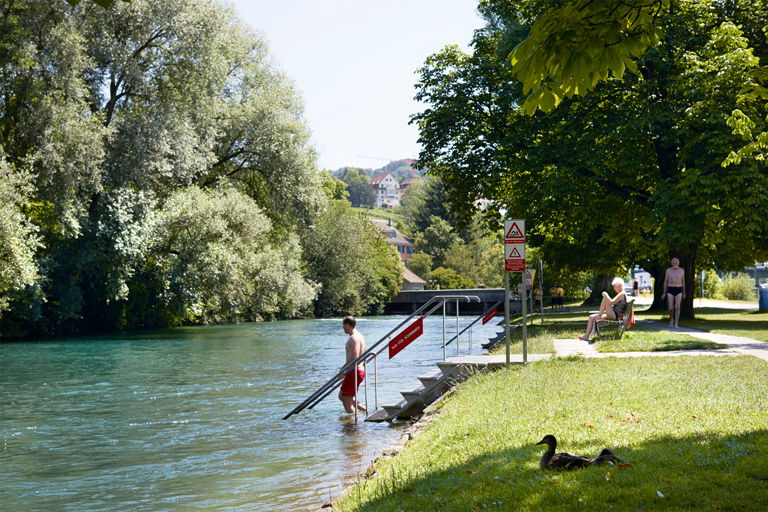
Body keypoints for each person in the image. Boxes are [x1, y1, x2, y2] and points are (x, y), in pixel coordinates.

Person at [338, 316, 367, 413]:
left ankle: (352, 425)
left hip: (354, 370)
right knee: (342, 396)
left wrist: (343, 369)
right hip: (354, 370)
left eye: (343, 325)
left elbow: (355, 356)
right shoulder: (359, 336)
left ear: (348, 325)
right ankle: (366, 411)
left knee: (346, 400)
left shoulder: (354, 338)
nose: (342, 327)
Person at [662, 257, 685, 328]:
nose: (675, 263)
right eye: (674, 262)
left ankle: (676, 323)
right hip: (670, 288)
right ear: (672, 263)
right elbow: (665, 281)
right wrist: (664, 292)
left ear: (679, 263)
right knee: (670, 307)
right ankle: (671, 319)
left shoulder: (682, 270)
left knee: (677, 306)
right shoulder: (668, 270)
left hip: (679, 288)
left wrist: (684, 292)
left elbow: (683, 281)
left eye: (676, 262)